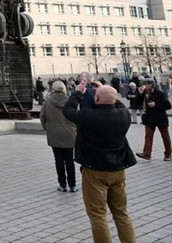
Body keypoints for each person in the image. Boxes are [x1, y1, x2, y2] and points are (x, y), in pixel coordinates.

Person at [63, 80, 136, 243]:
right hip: (118, 170)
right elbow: (118, 103)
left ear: (96, 99)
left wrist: (78, 92)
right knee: (121, 213)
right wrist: (106, 92)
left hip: (94, 171)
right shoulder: (124, 115)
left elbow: (68, 111)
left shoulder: (88, 116)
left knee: (98, 215)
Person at [39, 80, 77, 192]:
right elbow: (77, 116)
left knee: (58, 160)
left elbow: (42, 117)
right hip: (69, 133)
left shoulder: (48, 102)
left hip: (54, 133)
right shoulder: (70, 101)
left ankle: (62, 184)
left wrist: (48, 128)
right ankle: (73, 185)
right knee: (70, 160)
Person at [135, 78, 171, 161]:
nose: (145, 86)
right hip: (149, 118)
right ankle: (147, 154)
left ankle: (168, 154)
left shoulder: (160, 93)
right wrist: (140, 94)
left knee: (165, 136)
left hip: (160, 118)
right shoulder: (144, 94)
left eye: (147, 84)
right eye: (144, 84)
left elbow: (168, 106)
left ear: (152, 84)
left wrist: (155, 105)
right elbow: (137, 103)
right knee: (148, 136)